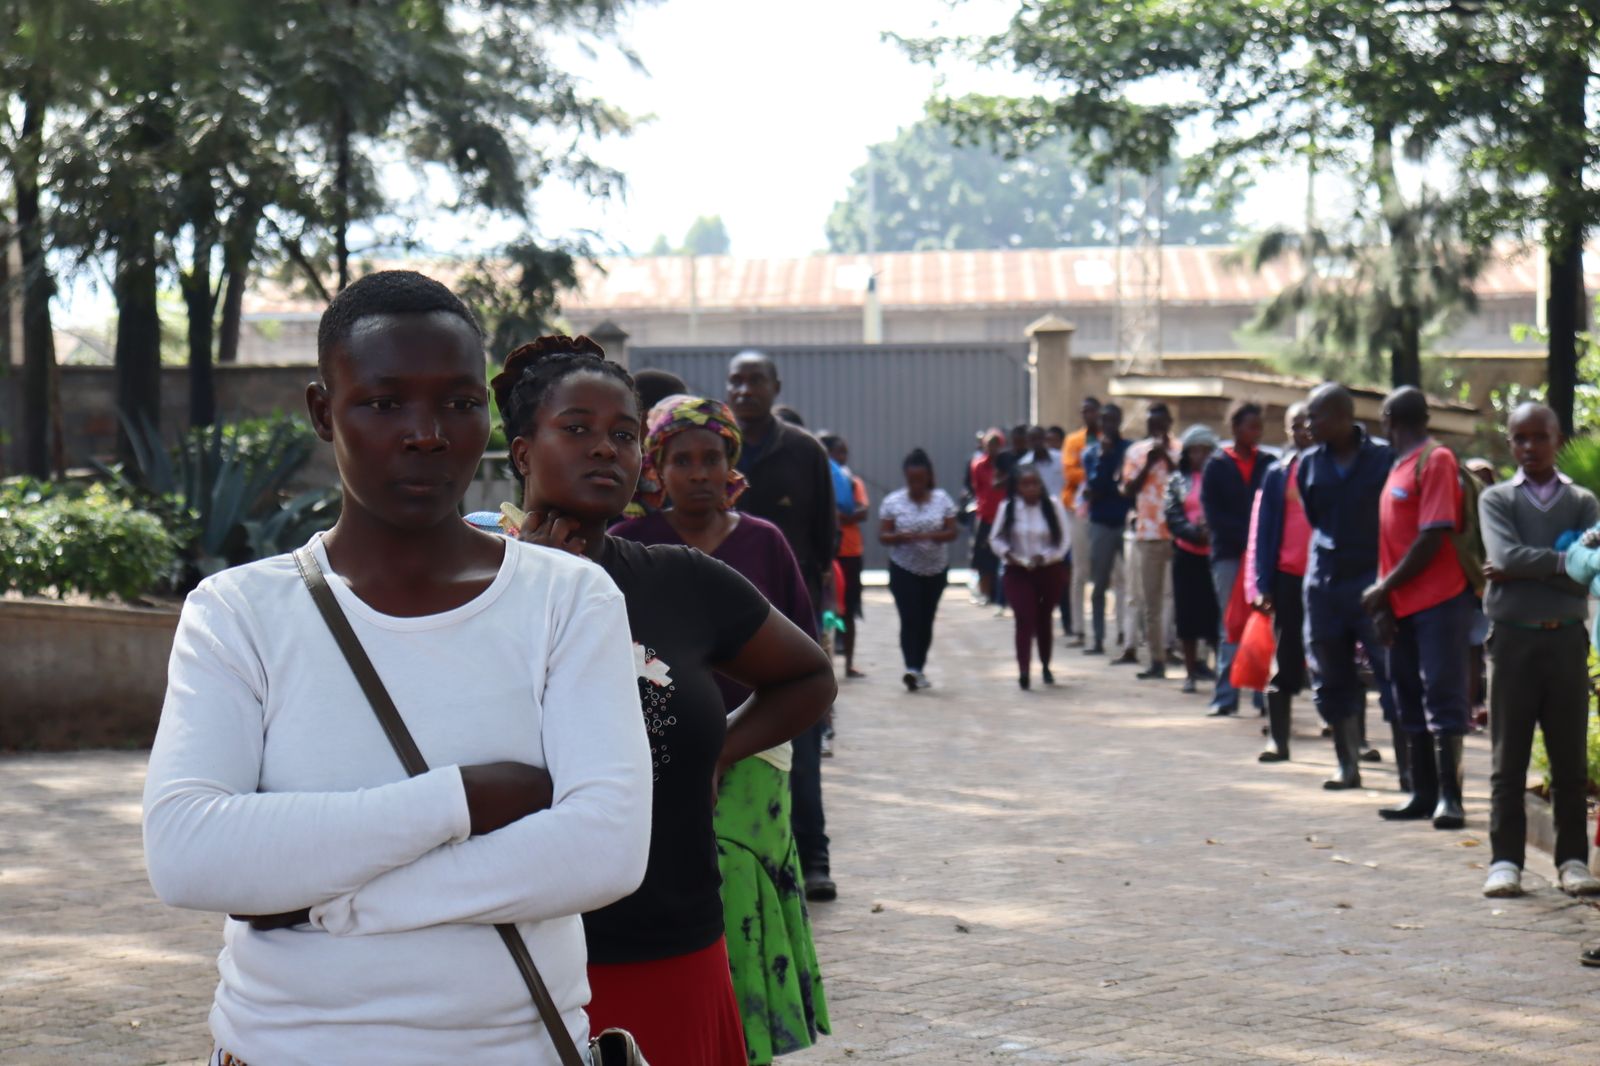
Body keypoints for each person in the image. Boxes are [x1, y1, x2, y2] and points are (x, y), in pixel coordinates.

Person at [142, 272, 654, 1066]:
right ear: (322, 411)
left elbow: (604, 850)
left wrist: (333, 902)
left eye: (457, 403)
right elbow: (189, 853)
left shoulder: (567, 599)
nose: (427, 433)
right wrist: (462, 798)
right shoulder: (238, 612)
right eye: (384, 403)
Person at [496, 337, 836, 1063]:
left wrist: (720, 751)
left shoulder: (682, 579)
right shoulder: (472, 586)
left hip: (671, 953)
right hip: (510, 963)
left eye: (622, 434)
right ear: (523, 453)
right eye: (577, 429)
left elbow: (808, 676)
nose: (604, 450)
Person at [610, 393, 834, 1060]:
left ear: (731, 461)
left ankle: (752, 1037)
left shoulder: (764, 541)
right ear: (657, 468)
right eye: (683, 459)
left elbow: (803, 651)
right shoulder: (630, 546)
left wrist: (726, 746)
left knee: (747, 896)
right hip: (664, 758)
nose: (699, 473)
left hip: (756, 749)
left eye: (713, 458)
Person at [726, 350, 839, 904]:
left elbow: (824, 541)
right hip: (722, 635)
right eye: (735, 381)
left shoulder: (804, 452)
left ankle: (814, 857)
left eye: (754, 380)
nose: (744, 390)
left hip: (788, 619)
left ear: (775, 386)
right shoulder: (715, 447)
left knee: (802, 744)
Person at [1478, 403, 1600, 898]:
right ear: (1510, 444)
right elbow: (1504, 555)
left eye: (1540, 437)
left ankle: (1572, 860)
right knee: (1509, 758)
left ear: (1557, 439)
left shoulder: (1583, 501)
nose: (1530, 448)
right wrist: (1562, 561)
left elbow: (1587, 574)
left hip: (1566, 637)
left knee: (1568, 757)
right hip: (1512, 636)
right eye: (1520, 438)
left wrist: (1528, 568)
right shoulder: (1497, 499)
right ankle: (1505, 860)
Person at [1360, 386, 1475, 829]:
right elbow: (1392, 541)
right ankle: (1421, 792)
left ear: (1390, 418)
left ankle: (1452, 797)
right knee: (1407, 695)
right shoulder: (1397, 467)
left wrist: (1383, 587)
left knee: (1442, 696)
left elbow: (1434, 535)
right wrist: (1385, 598)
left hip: (1440, 601)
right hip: (1401, 604)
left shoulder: (1436, 459)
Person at [1298, 383, 1397, 791]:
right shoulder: (1308, 464)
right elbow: (1313, 514)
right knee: (1331, 672)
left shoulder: (1383, 459)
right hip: (1325, 582)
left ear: (1341, 416)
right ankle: (1347, 763)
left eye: (1314, 416)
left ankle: (1410, 769)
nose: (1307, 425)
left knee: (1392, 671)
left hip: (1372, 580)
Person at [1245, 403, 1315, 762]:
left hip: (1328, 578)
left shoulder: (1337, 469)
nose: (1304, 431)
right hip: (1288, 577)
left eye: (1309, 424)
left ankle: (1356, 743)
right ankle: (1279, 739)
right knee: (1286, 656)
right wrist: (1261, 584)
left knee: (1338, 659)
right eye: (1296, 426)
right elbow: (1264, 531)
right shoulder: (1278, 474)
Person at [1200, 401, 1271, 715]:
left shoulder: (1268, 463)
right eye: (1250, 426)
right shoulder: (1217, 465)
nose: (1255, 433)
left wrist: (1259, 543)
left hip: (1260, 556)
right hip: (1229, 555)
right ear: (1235, 428)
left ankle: (1262, 695)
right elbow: (1213, 514)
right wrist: (1246, 538)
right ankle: (1226, 696)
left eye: (1259, 427)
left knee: (1261, 622)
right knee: (1230, 624)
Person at [880, 448, 959, 692]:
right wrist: (898, 537)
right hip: (904, 568)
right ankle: (911, 668)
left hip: (935, 570)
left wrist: (931, 535)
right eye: (911, 479)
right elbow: (883, 535)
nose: (916, 484)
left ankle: (920, 666)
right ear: (905, 477)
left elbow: (953, 531)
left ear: (929, 477)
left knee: (926, 619)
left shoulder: (942, 499)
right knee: (909, 617)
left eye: (920, 479)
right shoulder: (893, 502)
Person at [988, 463, 1071, 689]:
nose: (1031, 488)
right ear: (1017, 488)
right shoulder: (1008, 508)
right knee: (1024, 617)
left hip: (1048, 570)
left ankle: (1045, 664)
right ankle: (1023, 669)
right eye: (1026, 485)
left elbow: (1064, 541)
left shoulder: (1052, 506)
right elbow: (995, 538)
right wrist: (1009, 555)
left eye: (1035, 483)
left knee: (1044, 618)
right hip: (1018, 570)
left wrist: (1046, 557)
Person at [1121, 402, 1179, 679]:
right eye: (1151, 424)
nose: (1156, 428)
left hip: (1180, 534)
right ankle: (1156, 660)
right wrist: (1149, 463)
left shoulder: (1181, 449)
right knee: (1151, 601)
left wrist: (1166, 458)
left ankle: (1192, 657)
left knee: (1181, 599)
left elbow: (1187, 481)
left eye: (1160, 423)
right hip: (1149, 534)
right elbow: (1128, 489)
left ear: (1169, 423)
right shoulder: (1135, 452)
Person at [1165, 425, 1221, 694]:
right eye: (1195, 450)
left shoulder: (1223, 478)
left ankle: (1221, 670)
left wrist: (1214, 532)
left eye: (1205, 450)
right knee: (1187, 616)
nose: (1200, 455)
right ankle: (1189, 673)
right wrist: (1194, 533)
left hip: (1216, 556)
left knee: (1215, 614)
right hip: (1187, 554)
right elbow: (1173, 515)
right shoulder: (1177, 480)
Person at [1082, 403, 1132, 657]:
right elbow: (1094, 488)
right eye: (1105, 421)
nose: (1109, 425)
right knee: (1099, 584)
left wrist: (1108, 489)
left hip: (1125, 522)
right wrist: (1103, 458)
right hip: (1101, 524)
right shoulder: (1091, 453)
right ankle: (1098, 638)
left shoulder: (1130, 450)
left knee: (1131, 585)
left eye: (1113, 420)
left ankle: (1129, 637)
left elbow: (1124, 486)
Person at [820, 432, 869, 679]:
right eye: (838, 452)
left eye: (844, 452)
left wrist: (843, 516)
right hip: (828, 553)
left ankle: (848, 662)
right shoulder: (820, 479)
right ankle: (825, 663)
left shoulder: (852, 481)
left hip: (850, 551)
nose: (843, 457)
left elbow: (862, 511)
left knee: (848, 610)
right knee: (825, 611)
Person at [1063, 397, 1103, 645]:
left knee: (1114, 573)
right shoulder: (1073, 441)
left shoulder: (1106, 439)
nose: (1087, 414)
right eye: (1084, 411)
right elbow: (1070, 471)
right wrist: (1096, 473)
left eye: (1091, 411)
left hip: (1103, 510)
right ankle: (1079, 629)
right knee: (1079, 570)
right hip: (1078, 507)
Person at [968, 429, 1009, 606]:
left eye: (995, 445)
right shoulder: (978, 465)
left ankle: (1004, 596)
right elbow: (978, 489)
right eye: (989, 445)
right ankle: (985, 593)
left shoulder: (1007, 465)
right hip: (986, 515)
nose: (992, 448)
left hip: (1005, 516)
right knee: (984, 558)